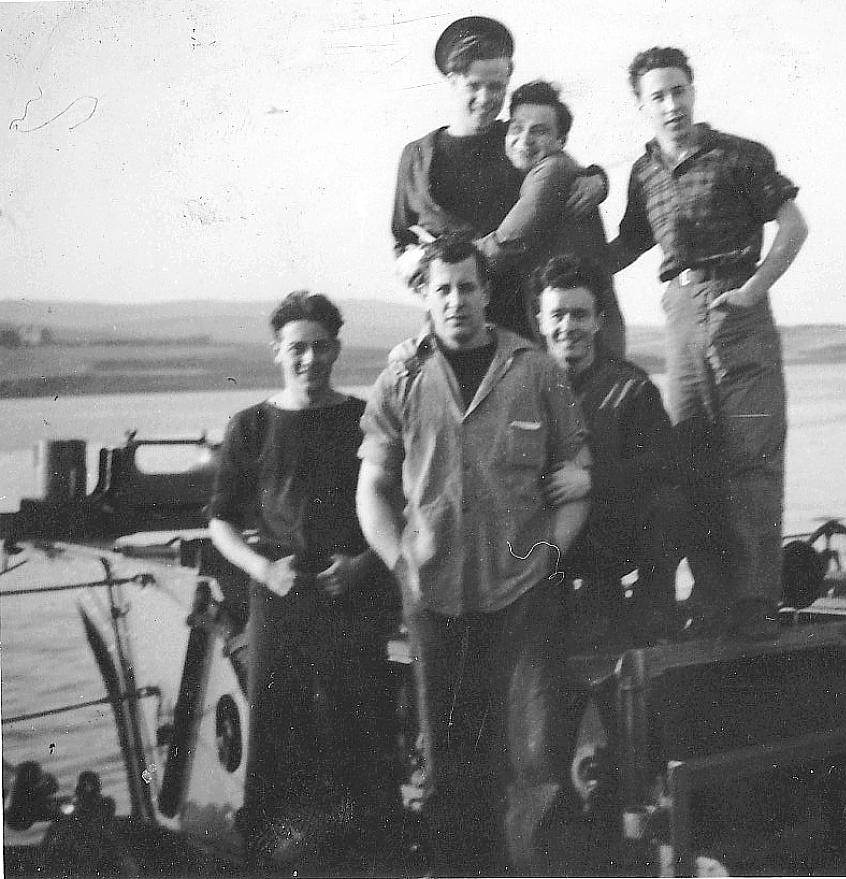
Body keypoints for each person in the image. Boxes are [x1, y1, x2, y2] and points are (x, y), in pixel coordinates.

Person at [356, 237, 591, 875]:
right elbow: (370, 492)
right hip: (435, 601)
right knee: (448, 765)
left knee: (536, 758)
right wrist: (401, 564)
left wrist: (550, 551)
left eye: (467, 287)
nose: (456, 300)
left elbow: (576, 474)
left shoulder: (538, 372)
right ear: (426, 297)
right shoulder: (400, 377)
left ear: (487, 292)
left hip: (522, 598)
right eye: (443, 289)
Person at [608, 47, 809, 639]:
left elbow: (794, 225)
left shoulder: (738, 157)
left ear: (692, 90)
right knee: (689, 458)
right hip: (679, 315)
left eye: (678, 91)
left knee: (751, 456)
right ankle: (713, 596)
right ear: (641, 106)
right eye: (658, 96)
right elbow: (628, 244)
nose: (671, 105)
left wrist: (753, 289)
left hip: (738, 309)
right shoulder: (643, 171)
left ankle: (755, 603)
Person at [208, 291, 394, 869]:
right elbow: (220, 523)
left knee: (356, 735)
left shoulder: (363, 418)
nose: (309, 360)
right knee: (273, 738)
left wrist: (362, 565)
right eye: (297, 348)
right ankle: (269, 862)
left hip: (350, 594)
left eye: (320, 347)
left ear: (336, 349)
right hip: (278, 597)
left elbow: (398, 505)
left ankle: (357, 861)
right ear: (276, 352)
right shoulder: (251, 426)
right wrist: (264, 568)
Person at [391, 16, 607, 343]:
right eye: (474, 86)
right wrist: (410, 262)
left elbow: (561, 169)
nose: (485, 97)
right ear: (452, 81)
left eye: (496, 87)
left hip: (523, 319)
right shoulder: (418, 157)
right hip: (454, 319)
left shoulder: (516, 140)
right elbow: (402, 235)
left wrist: (597, 179)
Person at [535, 253, 701, 643]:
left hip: (611, 535)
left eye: (579, 314)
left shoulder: (632, 388)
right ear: (540, 321)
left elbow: (664, 464)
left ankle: (654, 618)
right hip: (540, 537)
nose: (568, 326)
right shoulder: (520, 387)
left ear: (597, 320)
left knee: (669, 504)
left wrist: (591, 480)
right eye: (557, 315)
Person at [476, 80, 626, 356]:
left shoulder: (553, 169)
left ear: (561, 141)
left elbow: (508, 242)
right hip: (568, 324)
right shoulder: (535, 172)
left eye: (540, 131)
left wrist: (452, 257)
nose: (525, 140)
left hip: (582, 330)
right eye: (517, 128)